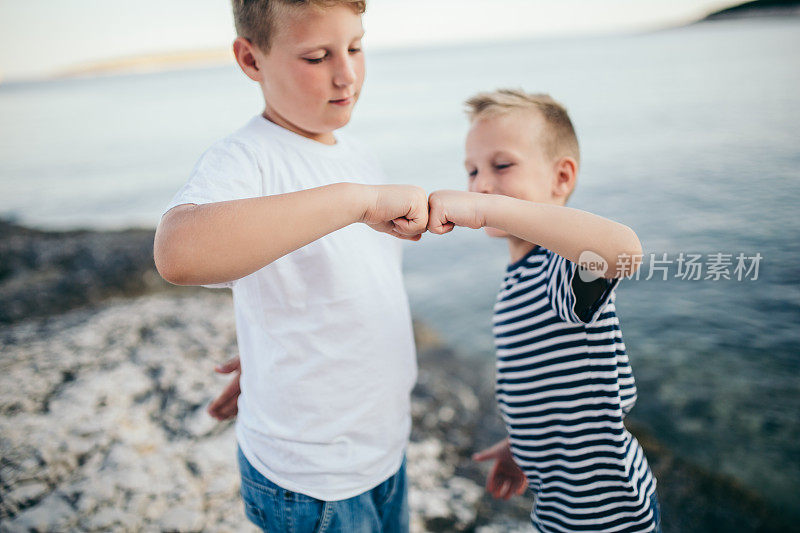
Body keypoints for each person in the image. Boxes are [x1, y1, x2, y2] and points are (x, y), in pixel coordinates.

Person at [153, 1, 428, 531]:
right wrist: (356, 201)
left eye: (355, 47)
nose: (346, 73)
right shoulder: (245, 159)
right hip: (313, 480)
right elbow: (178, 251)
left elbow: (332, 286)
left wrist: (267, 352)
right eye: (317, 56)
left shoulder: (358, 154)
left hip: (383, 449)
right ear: (251, 60)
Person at [425, 89, 661, 532]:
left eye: (502, 165)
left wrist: (487, 207)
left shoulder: (558, 270)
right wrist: (522, 446)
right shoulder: (522, 275)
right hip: (560, 505)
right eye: (472, 171)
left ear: (561, 178)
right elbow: (551, 383)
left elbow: (622, 253)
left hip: (606, 512)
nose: (481, 184)